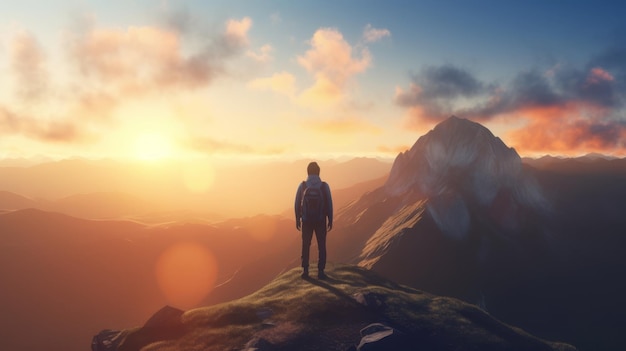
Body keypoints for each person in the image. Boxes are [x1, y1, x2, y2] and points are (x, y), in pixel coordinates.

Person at [294, 161, 333, 279]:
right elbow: (329, 204)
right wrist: (330, 220)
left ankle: (305, 270)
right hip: (321, 220)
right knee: (321, 245)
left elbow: (296, 203)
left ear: (308, 172)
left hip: (306, 220)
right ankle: (321, 271)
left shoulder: (303, 185)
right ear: (319, 172)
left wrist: (297, 219)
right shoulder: (324, 186)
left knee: (306, 244)